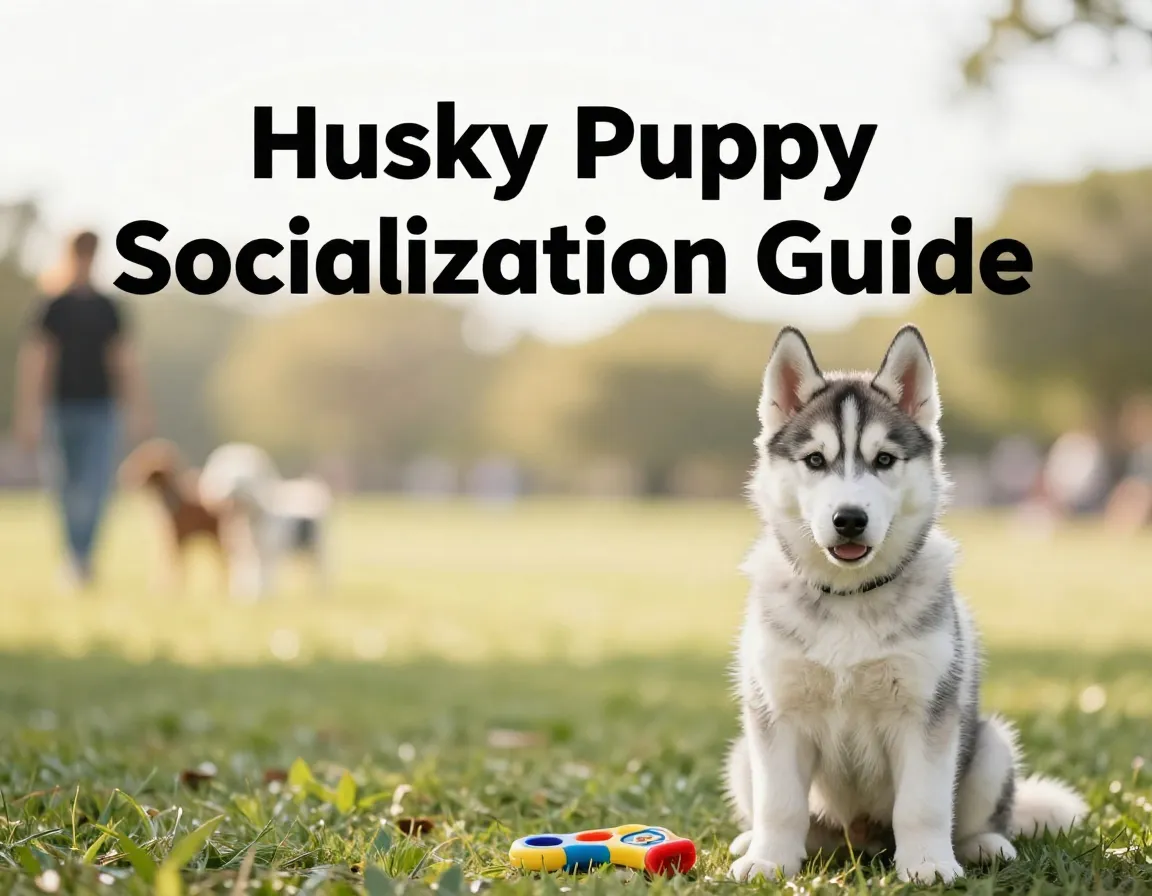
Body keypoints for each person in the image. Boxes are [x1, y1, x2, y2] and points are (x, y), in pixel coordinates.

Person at [13, 230, 151, 588]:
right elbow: (38, 361)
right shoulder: (53, 306)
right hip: (61, 408)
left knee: (95, 488)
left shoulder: (108, 308)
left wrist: (137, 408)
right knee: (65, 488)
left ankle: (83, 558)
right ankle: (73, 554)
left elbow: (123, 360)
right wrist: (29, 413)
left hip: (101, 410)